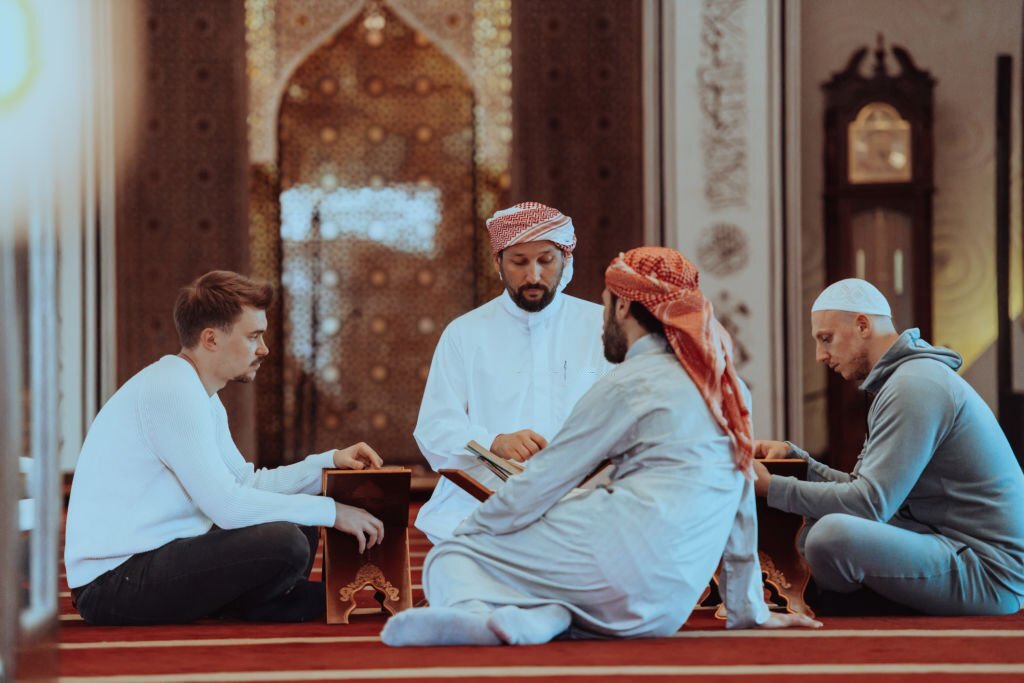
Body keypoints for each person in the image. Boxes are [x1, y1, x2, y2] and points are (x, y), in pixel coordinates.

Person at [382, 247, 821, 647]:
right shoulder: (729, 387)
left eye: (609, 305)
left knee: (450, 556)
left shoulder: (629, 383)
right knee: (544, 552)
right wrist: (747, 609)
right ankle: (543, 620)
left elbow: (543, 480)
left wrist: (471, 533)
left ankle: (476, 613)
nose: (604, 318)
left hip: (616, 568)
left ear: (625, 306)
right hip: (667, 608)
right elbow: (741, 500)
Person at [64, 270, 386, 625]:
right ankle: (257, 604)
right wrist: (332, 512)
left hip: (153, 559)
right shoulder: (173, 391)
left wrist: (328, 462)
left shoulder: (200, 393)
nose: (264, 349)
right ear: (211, 339)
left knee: (297, 521)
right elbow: (228, 507)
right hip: (112, 583)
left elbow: (246, 485)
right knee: (287, 538)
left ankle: (256, 604)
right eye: (253, 337)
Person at [753, 278, 1024, 615]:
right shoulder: (906, 379)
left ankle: (861, 601)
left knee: (829, 536)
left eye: (827, 339)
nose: (821, 356)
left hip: (988, 574)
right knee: (814, 528)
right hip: (946, 544)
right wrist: (800, 463)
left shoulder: (914, 386)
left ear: (862, 325)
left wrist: (771, 488)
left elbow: (868, 504)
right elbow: (863, 491)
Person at [413, 202, 611, 543]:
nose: (533, 275)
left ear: (567, 260)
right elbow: (434, 429)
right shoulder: (465, 334)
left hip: (583, 508)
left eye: (546, 260)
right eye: (519, 262)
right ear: (497, 263)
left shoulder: (603, 327)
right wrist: (494, 443)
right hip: (480, 509)